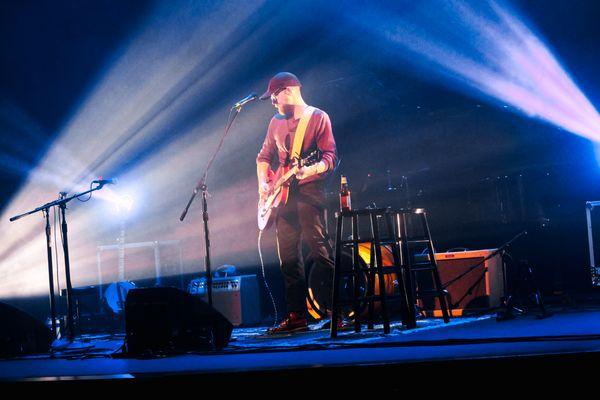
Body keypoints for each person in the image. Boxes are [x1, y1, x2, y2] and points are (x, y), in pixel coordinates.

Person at [256, 72, 337, 334]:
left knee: (321, 252)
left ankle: (338, 311)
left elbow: (330, 157)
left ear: (288, 91)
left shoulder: (318, 117)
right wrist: (263, 185)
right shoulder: (275, 122)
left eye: (275, 96)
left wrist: (308, 171)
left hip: (310, 192)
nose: (273, 102)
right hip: (282, 198)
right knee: (288, 259)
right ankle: (297, 316)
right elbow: (263, 157)